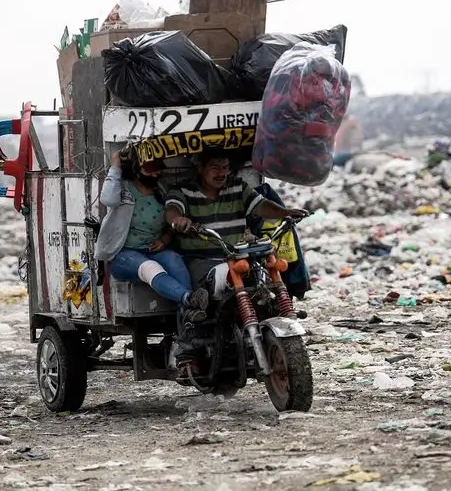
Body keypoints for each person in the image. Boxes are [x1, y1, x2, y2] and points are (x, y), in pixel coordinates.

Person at [164, 149, 307, 377]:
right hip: (202, 261)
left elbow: (262, 206)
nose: (221, 173)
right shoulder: (183, 190)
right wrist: (178, 220)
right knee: (210, 292)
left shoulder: (238, 187)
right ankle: (187, 351)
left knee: (262, 284)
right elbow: (173, 210)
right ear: (200, 168)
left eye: (225, 167)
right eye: (215, 168)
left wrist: (285, 212)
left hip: (237, 258)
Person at [94, 147, 210, 323]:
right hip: (122, 254)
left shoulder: (162, 189)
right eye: (150, 169)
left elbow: (172, 220)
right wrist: (116, 164)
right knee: (150, 268)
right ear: (137, 168)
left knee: (175, 261)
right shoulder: (123, 188)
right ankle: (188, 299)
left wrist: (165, 239)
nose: (155, 173)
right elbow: (108, 199)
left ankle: (187, 314)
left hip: (153, 249)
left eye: (158, 168)